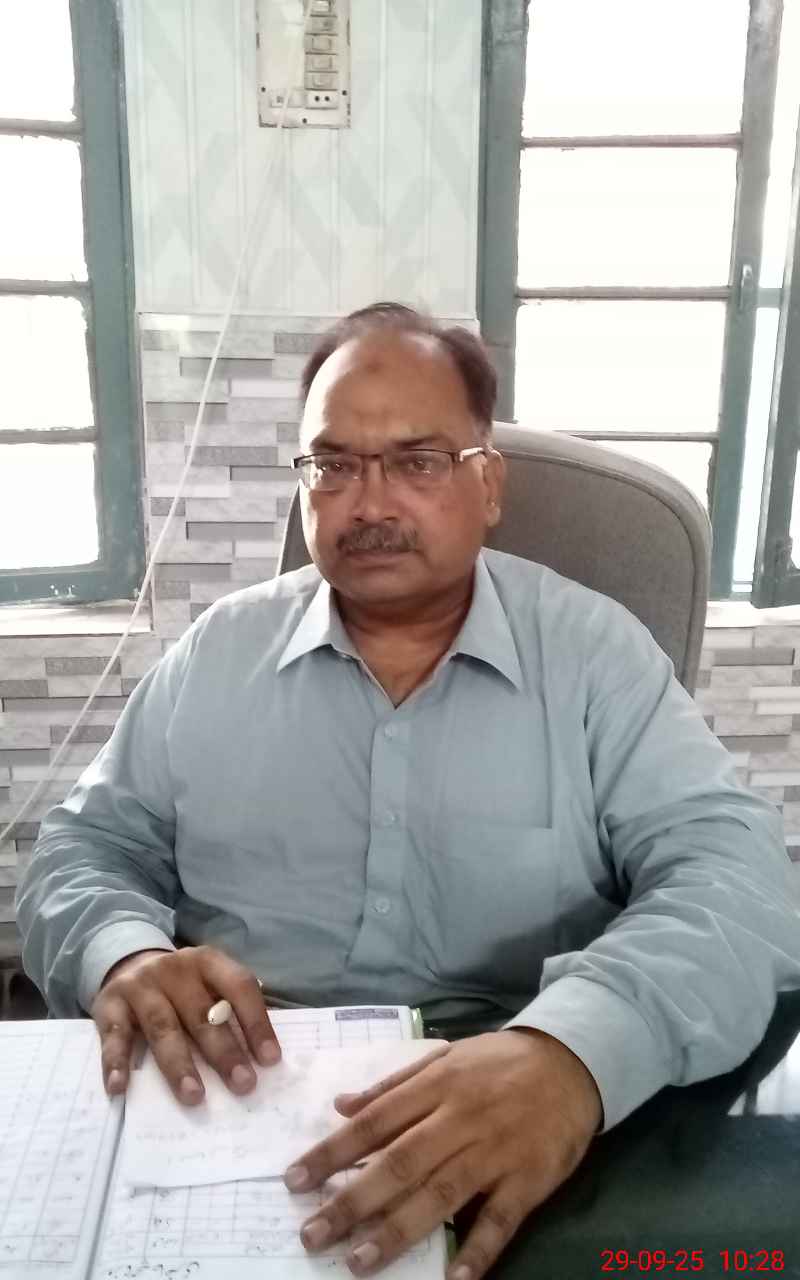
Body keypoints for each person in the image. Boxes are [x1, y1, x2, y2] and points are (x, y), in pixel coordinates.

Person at [16, 302, 800, 1280]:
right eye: (333, 465)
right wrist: (124, 951)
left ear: (488, 483)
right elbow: (85, 847)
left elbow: (734, 877)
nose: (369, 503)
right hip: (238, 1093)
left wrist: (576, 1052)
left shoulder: (594, 656)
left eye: (418, 461)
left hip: (521, 1086)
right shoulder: (218, 654)